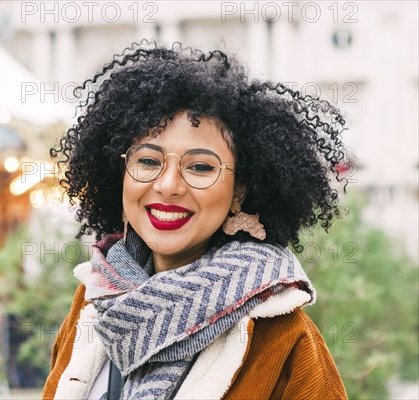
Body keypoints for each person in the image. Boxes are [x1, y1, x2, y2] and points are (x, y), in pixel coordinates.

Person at [43, 41, 349, 400]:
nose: (169, 185)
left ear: (239, 193)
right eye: (148, 161)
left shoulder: (284, 337)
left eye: (200, 167)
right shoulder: (92, 301)